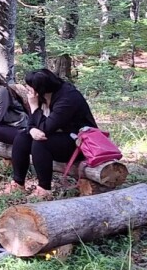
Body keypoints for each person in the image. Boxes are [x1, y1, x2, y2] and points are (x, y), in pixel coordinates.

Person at [8, 68, 98, 197]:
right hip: (57, 135)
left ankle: (44, 189)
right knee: (22, 137)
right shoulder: (41, 96)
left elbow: (46, 128)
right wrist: (32, 129)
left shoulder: (68, 98)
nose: (27, 89)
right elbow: (32, 123)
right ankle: (18, 183)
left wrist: (33, 107)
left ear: (40, 88)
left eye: (29, 87)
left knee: (41, 143)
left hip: (79, 142)